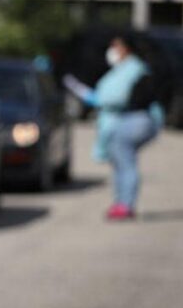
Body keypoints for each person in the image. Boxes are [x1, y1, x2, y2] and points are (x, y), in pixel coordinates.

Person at [63, 35, 164, 220]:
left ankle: (125, 204)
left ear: (126, 49)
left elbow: (112, 98)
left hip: (135, 120)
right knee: (121, 162)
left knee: (125, 162)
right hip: (132, 120)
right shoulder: (126, 69)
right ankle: (122, 203)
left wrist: (89, 96)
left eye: (116, 46)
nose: (112, 50)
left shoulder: (132, 69)